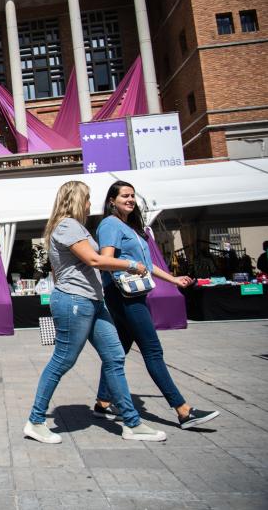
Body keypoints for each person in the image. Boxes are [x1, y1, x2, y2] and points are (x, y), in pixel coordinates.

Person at [25, 181, 167, 444]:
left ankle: (132, 423)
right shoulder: (68, 225)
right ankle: (35, 421)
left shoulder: (74, 228)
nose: (90, 204)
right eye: (87, 199)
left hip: (91, 301)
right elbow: (94, 260)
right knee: (63, 360)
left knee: (114, 356)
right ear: (76, 200)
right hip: (75, 302)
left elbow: (60, 271)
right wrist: (130, 264)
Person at [93, 181, 219, 430]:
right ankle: (183, 411)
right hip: (123, 296)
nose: (130, 199)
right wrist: (130, 266)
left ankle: (102, 402)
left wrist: (174, 280)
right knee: (153, 351)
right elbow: (105, 261)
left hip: (133, 294)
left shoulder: (130, 227)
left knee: (119, 352)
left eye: (132, 196)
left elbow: (147, 264)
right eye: (124, 196)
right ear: (111, 201)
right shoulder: (110, 225)